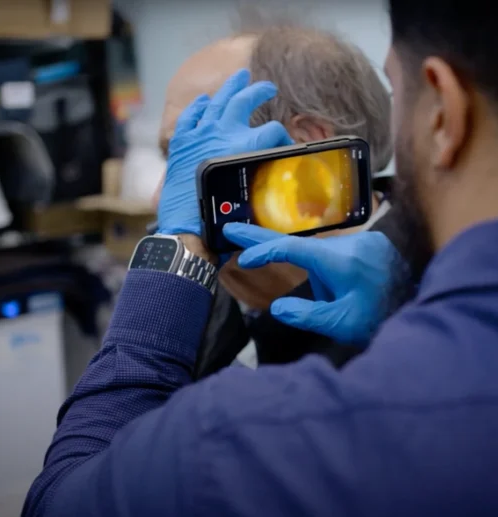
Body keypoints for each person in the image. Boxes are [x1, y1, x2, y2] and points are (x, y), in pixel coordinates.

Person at [24, 2, 498, 516]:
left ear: (443, 114)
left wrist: (174, 252)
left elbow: (62, 499)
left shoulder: (253, 444)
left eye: (188, 156)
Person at [149, 18, 397, 376]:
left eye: (195, 161)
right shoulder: (197, 299)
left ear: (308, 146)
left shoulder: (420, 305)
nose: (158, 200)